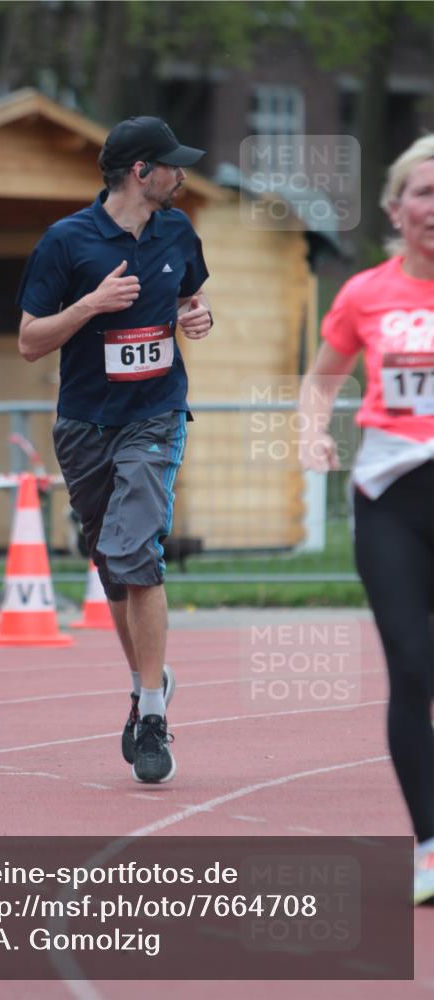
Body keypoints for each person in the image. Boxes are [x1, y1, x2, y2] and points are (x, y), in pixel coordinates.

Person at [17, 116, 213, 783]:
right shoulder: (66, 242)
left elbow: (193, 296)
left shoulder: (177, 230)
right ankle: (145, 683)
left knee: (136, 550)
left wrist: (198, 316)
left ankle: (152, 712)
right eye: (171, 164)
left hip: (154, 415)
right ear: (140, 172)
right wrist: (91, 306)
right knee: (109, 560)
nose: (181, 173)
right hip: (83, 422)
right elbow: (29, 340)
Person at [299, 134, 434, 903]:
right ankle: (429, 843)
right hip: (391, 498)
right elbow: (320, 381)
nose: (433, 208)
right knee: (411, 667)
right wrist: (311, 429)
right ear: (395, 209)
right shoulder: (364, 293)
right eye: (422, 193)